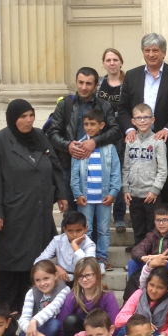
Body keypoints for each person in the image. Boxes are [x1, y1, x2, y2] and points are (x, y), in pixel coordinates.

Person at [0, 99, 69, 312]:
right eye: (23, 116)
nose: (28, 120)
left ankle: (37, 305)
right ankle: (8, 309)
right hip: (13, 214)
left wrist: (60, 193)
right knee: (12, 262)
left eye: (31, 115)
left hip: (39, 212)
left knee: (39, 259)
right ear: (13, 118)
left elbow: (54, 166)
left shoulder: (39, 136)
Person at [118, 33, 168, 211]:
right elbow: (122, 109)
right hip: (137, 145)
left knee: (165, 192)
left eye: (155, 50)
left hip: (165, 143)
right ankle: (144, 232)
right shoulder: (132, 76)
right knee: (140, 195)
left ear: (163, 52)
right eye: (147, 50)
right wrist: (129, 129)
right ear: (142, 52)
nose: (151, 54)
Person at [46, 67, 121, 218]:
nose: (84, 87)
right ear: (76, 82)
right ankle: (70, 242)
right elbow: (52, 133)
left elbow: (115, 131)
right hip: (69, 165)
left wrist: (95, 141)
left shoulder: (104, 105)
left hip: (97, 169)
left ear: (96, 85)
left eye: (88, 83)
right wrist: (67, 146)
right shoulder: (65, 104)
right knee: (70, 213)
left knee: (93, 216)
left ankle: (91, 243)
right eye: (80, 82)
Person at [71, 107, 122, 273]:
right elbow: (74, 174)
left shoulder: (109, 148)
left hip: (104, 197)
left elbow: (115, 172)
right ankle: (87, 258)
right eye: (86, 124)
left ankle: (101, 258)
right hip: (85, 197)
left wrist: (113, 193)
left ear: (101, 125)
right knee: (87, 229)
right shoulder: (78, 145)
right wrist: (77, 193)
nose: (89, 128)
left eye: (92, 124)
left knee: (103, 229)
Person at [121, 103, 168, 246]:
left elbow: (163, 170)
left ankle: (152, 259)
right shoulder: (130, 142)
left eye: (146, 117)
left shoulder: (158, 142)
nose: (142, 121)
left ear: (152, 120)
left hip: (151, 196)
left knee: (153, 230)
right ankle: (139, 258)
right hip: (134, 194)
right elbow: (126, 167)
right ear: (133, 121)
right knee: (138, 230)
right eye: (139, 118)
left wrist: (155, 190)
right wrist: (125, 188)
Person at [57, 258, 120, 336]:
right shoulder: (73, 296)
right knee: (70, 320)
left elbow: (115, 324)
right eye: (80, 276)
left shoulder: (108, 296)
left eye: (88, 275)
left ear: (97, 274)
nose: (84, 279)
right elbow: (62, 322)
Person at [98, 48, 127, 232]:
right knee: (104, 175)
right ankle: (102, 214)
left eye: (115, 59)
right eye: (108, 60)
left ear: (121, 62)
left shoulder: (128, 82)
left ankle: (119, 216)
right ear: (103, 63)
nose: (112, 63)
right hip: (103, 135)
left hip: (123, 135)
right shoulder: (99, 84)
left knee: (120, 175)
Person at [18, 260, 70, 336]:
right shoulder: (31, 293)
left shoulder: (64, 290)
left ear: (55, 275)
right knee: (26, 332)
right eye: (38, 280)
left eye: (46, 278)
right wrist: (36, 333)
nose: (42, 284)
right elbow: (23, 319)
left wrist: (34, 321)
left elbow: (53, 307)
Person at [115, 266, 168, 336]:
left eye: (160, 287)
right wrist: (140, 321)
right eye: (151, 285)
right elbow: (118, 320)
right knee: (125, 330)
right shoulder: (139, 294)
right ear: (147, 283)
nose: (154, 290)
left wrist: (164, 335)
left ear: (167, 289)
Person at [127, 203, 168, 283]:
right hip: (152, 265)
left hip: (166, 264)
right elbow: (136, 249)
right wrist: (143, 257)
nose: (161, 223)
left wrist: (157, 257)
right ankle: (134, 290)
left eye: (165, 220)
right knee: (133, 262)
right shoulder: (151, 236)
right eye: (158, 220)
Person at [34, 211, 96, 283]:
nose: (74, 235)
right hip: (61, 277)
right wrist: (55, 268)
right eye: (70, 231)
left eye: (79, 230)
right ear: (64, 230)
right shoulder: (57, 240)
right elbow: (38, 261)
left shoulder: (89, 244)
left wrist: (74, 245)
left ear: (85, 229)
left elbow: (89, 267)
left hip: (81, 279)